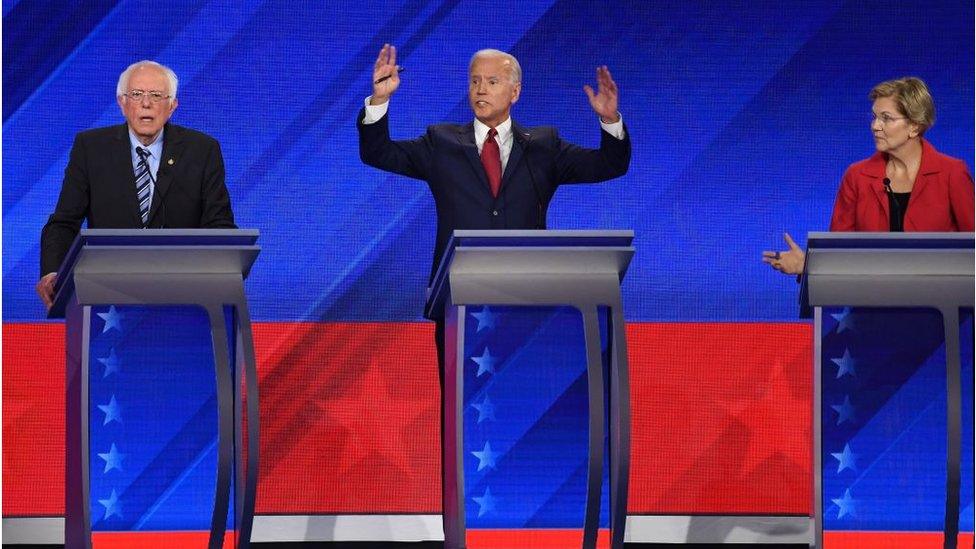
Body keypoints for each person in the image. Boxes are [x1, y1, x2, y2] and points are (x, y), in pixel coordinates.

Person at [358, 44, 630, 360]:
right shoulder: (441, 143)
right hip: (458, 301)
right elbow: (378, 153)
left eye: (491, 81)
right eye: (474, 81)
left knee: (523, 402)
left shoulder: (543, 147)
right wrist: (380, 100)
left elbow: (609, 165)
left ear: (515, 92)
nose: (480, 90)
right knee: (459, 406)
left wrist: (610, 121)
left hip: (528, 300)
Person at [37, 60, 236, 307]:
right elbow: (64, 222)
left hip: (183, 294)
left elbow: (220, 225)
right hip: (106, 292)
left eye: (156, 95)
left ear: (172, 106)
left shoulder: (202, 150)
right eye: (136, 94)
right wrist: (53, 271)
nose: (146, 103)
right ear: (122, 103)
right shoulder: (91, 148)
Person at [764, 77, 974, 275]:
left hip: (939, 302)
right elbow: (839, 252)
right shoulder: (857, 176)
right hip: (869, 301)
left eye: (886, 118)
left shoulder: (951, 173)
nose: (875, 126)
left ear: (914, 126)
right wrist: (807, 265)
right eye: (874, 117)